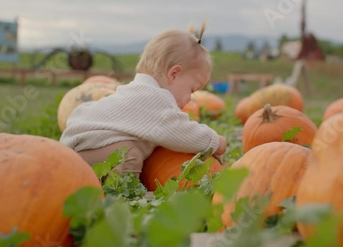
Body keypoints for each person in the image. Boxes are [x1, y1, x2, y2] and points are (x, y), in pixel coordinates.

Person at [60, 23, 227, 176]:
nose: (190, 98)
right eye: (191, 89)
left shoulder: (139, 92)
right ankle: (110, 191)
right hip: (79, 155)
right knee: (129, 156)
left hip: (84, 146)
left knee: (128, 151)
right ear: (174, 74)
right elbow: (182, 131)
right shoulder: (153, 98)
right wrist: (214, 141)